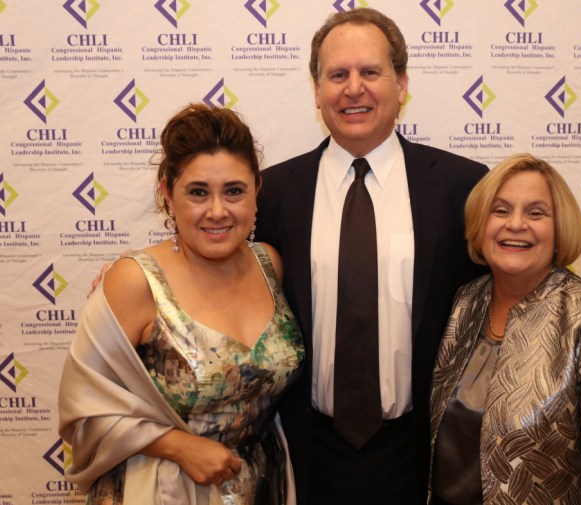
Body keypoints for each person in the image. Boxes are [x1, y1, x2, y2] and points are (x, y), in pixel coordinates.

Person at [255, 8, 488, 505]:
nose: (353, 88)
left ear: (401, 83)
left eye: (370, 72)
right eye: (337, 74)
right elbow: (219, 269)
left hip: (422, 451)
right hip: (307, 452)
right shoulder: (273, 192)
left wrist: (572, 301)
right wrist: (147, 277)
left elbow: (512, 278)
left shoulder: (461, 186)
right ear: (316, 91)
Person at [58, 104, 304, 504]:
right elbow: (84, 411)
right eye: (198, 192)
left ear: (257, 190)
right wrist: (178, 446)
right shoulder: (136, 280)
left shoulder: (270, 265)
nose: (217, 211)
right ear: (167, 192)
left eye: (234, 191)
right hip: (162, 490)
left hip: (263, 484)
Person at [428, 154, 581, 505]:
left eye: (536, 213)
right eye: (500, 210)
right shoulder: (466, 302)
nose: (516, 224)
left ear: (560, 229)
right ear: (479, 225)